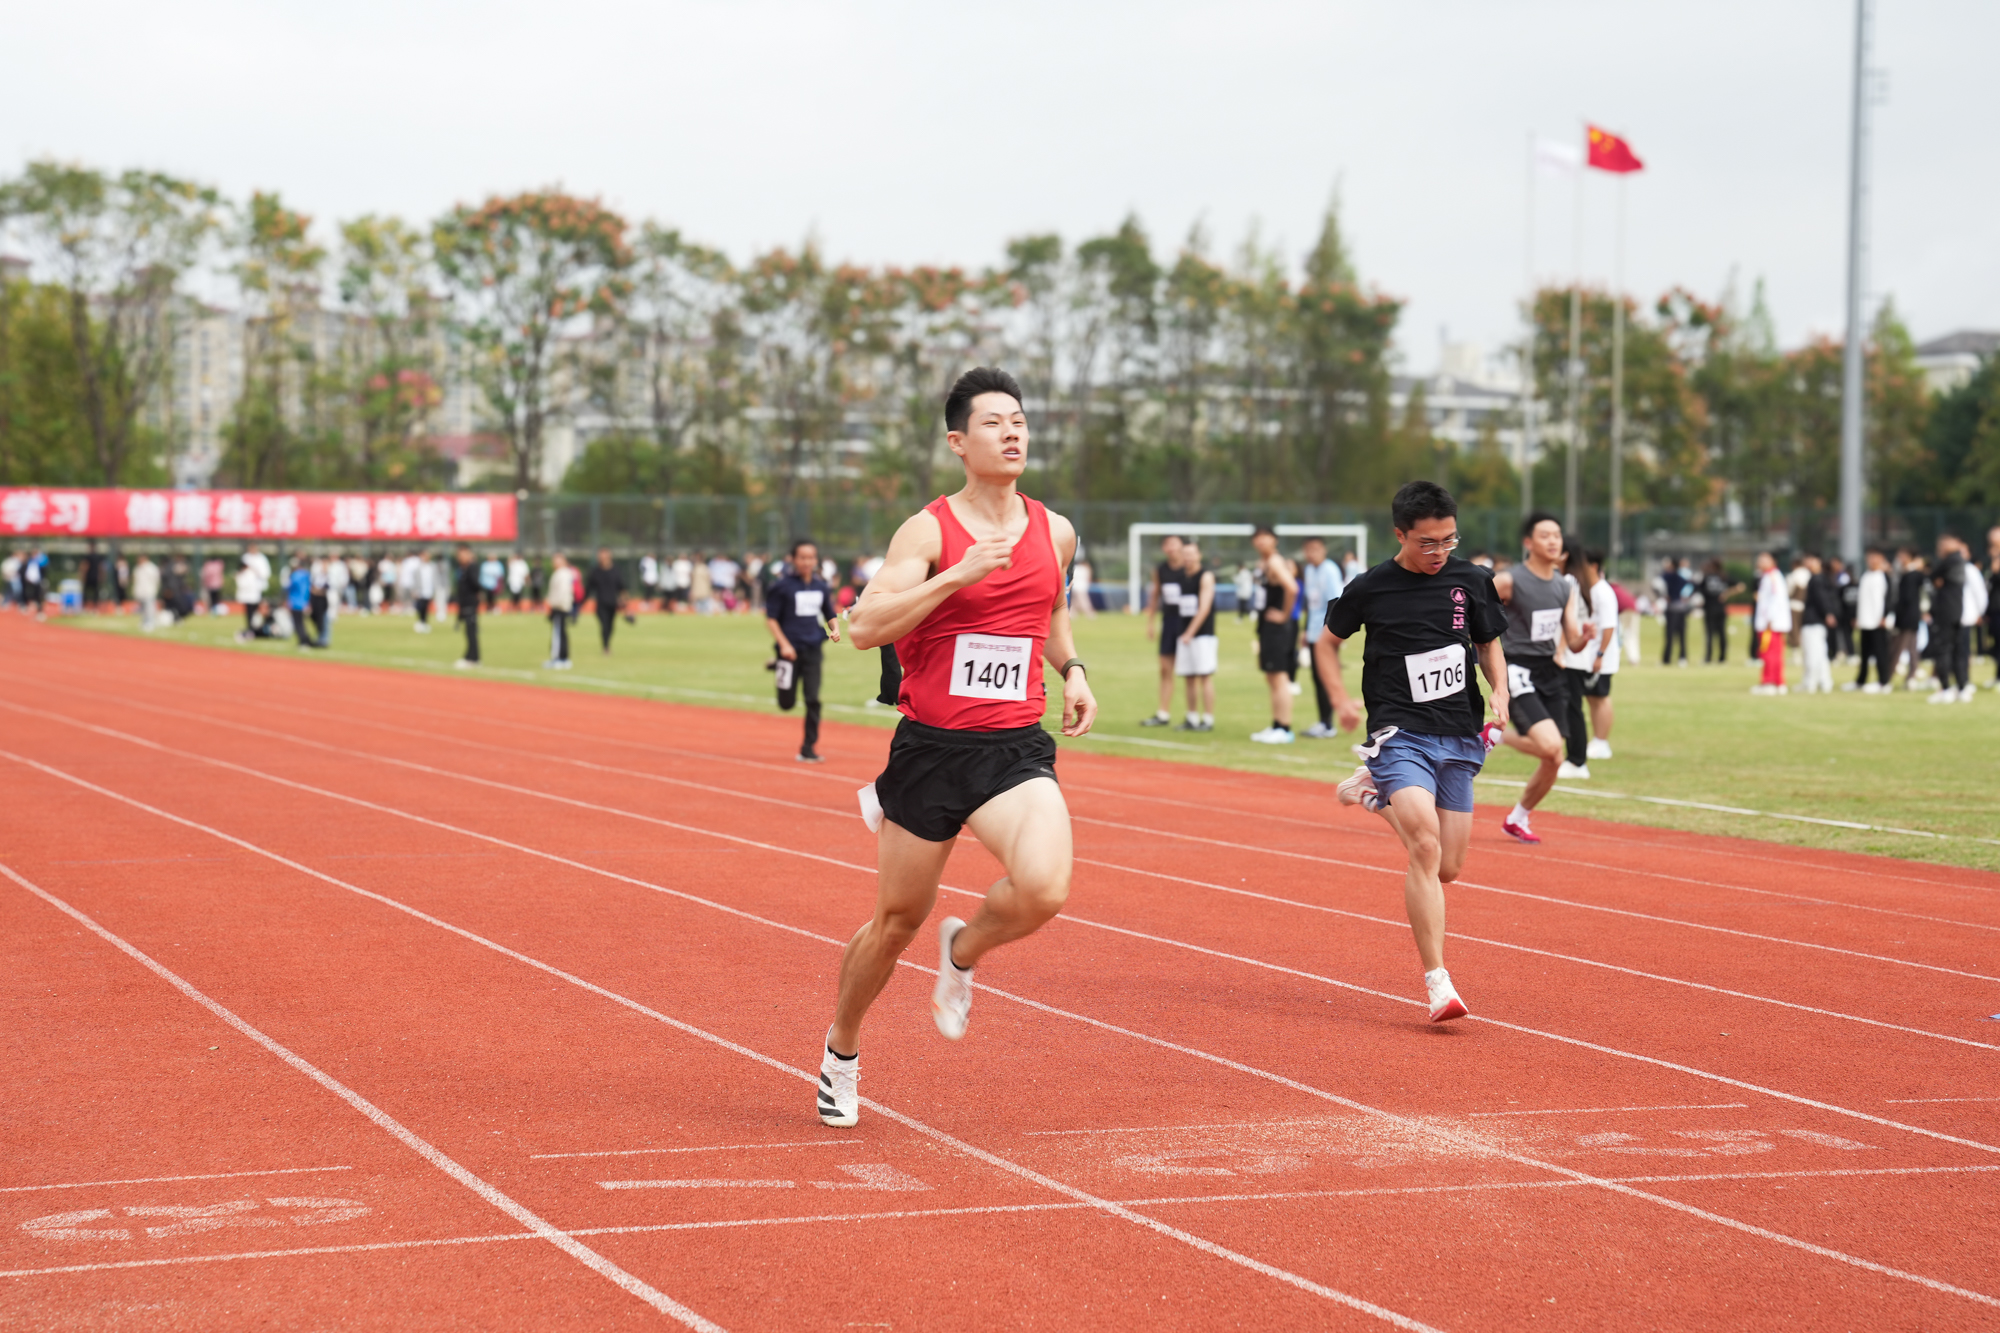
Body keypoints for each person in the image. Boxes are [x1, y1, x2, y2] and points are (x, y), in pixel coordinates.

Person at [818, 366, 1096, 1128]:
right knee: (895, 922)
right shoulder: (929, 531)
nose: (1012, 433)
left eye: (1020, 421)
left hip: (1014, 749)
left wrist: (1072, 669)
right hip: (932, 750)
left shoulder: (1055, 529)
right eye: (993, 423)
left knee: (1043, 888)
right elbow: (865, 627)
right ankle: (842, 1049)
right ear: (957, 442)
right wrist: (957, 575)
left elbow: (1048, 612)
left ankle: (964, 951)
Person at [1316, 480, 1508, 1023]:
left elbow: (1488, 643)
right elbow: (1326, 643)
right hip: (1399, 731)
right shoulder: (1370, 587)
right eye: (1427, 543)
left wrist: (1500, 689)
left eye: (1448, 540)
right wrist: (1339, 698)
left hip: (1459, 732)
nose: (1439, 551)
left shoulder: (1472, 580)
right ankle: (1437, 983)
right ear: (1400, 535)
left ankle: (1373, 796)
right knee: (1424, 845)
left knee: (1448, 867)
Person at [1492, 512, 1588, 844]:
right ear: (1528, 543)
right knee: (1550, 746)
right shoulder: (1508, 581)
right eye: (1545, 535)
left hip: (1550, 671)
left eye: (1557, 535)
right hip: (1519, 669)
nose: (1552, 541)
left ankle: (1517, 818)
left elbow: (1572, 641)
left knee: (1554, 758)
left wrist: (1585, 637)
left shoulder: (1564, 586)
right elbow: (1473, 614)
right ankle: (1495, 736)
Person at [765, 538, 843, 762]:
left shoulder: (821, 586)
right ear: (793, 559)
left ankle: (808, 748)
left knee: (813, 699)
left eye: (811, 558)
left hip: (813, 649)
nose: (807, 562)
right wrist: (784, 644)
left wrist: (835, 628)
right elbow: (771, 619)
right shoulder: (782, 586)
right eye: (802, 558)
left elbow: (829, 613)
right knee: (786, 703)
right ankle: (779, 665)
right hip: (789, 651)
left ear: (816, 560)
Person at [1559, 547, 1619, 774]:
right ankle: (1595, 742)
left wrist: (1600, 655)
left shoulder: (1602, 591)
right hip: (1586, 654)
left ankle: (1601, 742)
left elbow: (1609, 626)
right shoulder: (1587, 588)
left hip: (1597, 656)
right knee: (1591, 699)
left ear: (1593, 566)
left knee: (1599, 697)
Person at [1249, 524, 1300, 744]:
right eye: (1257, 537)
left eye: (1266, 537)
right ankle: (1276, 725)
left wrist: (1283, 615)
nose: (1261, 541)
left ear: (1274, 540)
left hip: (1277, 628)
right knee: (1271, 677)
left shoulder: (1275, 561)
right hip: (1266, 626)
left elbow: (1292, 588)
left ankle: (1284, 728)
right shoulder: (1263, 563)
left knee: (1279, 677)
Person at [1298, 536, 1346, 738]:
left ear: (1324, 550)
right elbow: (1311, 604)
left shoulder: (1330, 570)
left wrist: (1329, 633)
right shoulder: (1309, 570)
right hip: (1313, 632)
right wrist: (1305, 630)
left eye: (1315, 549)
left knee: (1325, 677)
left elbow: (1336, 602)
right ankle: (1323, 722)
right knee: (1317, 678)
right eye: (1308, 549)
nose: (1312, 554)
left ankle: (1328, 725)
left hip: (1324, 634)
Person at [1139, 534, 1185, 726]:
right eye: (1167, 544)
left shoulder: (1189, 568)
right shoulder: (1160, 570)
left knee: (1192, 672)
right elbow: (1155, 595)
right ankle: (1163, 713)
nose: (1171, 547)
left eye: (1174, 543)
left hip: (1188, 623)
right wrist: (1150, 623)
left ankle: (1194, 715)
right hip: (1169, 623)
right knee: (1165, 668)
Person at [1174, 539, 1219, 731]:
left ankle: (1207, 719)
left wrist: (1190, 633)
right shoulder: (1181, 576)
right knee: (1189, 676)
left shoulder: (1205, 576)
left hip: (1202, 635)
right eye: (1185, 554)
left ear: (1199, 555)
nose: (1188, 558)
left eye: (1191, 554)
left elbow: (1204, 608)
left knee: (1204, 676)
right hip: (1184, 634)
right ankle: (1191, 717)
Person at [1928, 533, 1973, 704]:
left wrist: (1938, 581)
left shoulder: (1950, 560)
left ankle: (1946, 688)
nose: (1940, 547)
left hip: (1946, 612)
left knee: (1944, 650)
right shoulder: (1959, 561)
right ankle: (1962, 687)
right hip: (1957, 611)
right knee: (1957, 651)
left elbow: (1932, 576)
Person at [1852, 548, 1894, 692]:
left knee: (1880, 653)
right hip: (1865, 620)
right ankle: (1861, 680)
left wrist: (1885, 616)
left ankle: (1884, 682)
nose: (1872, 560)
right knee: (1864, 654)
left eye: (1875, 557)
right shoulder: (1865, 576)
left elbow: (1889, 598)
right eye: (1869, 557)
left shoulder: (1883, 576)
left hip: (1878, 622)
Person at [1751, 551, 1792, 694]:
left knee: (1769, 654)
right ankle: (1778, 682)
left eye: (1764, 560)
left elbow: (1776, 599)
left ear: (1773, 561)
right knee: (1774, 653)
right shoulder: (1767, 576)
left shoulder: (1772, 577)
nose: (1760, 563)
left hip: (1770, 623)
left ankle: (1769, 682)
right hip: (1771, 622)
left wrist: (1770, 619)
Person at [1891, 549, 1927, 686]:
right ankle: (1911, 675)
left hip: (1907, 617)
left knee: (1898, 647)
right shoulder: (1904, 574)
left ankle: (1887, 677)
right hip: (1909, 616)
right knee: (1912, 647)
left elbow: (1908, 598)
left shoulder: (1913, 575)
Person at [586, 548, 626, 654]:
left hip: (613, 604)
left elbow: (621, 587)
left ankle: (607, 645)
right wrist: (580, 603)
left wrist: (624, 603)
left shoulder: (615, 570)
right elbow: (588, 588)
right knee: (604, 625)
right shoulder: (595, 571)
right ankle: (606, 647)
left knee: (610, 626)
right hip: (601, 604)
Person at [1699, 559, 1737, 663]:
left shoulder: (1707, 577)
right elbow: (1740, 586)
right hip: (1721, 609)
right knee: (1722, 634)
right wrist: (1727, 593)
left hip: (1710, 609)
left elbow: (1699, 590)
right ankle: (1722, 658)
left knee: (1710, 634)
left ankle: (1708, 657)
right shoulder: (1724, 576)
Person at [545, 551, 576, 669]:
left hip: (560, 607)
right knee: (561, 633)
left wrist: (553, 604)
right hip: (561, 606)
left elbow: (562, 593)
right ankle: (563, 658)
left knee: (558, 634)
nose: (553, 562)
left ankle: (559, 658)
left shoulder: (562, 573)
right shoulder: (564, 573)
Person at [1658, 557, 1691, 666]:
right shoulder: (1681, 578)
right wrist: (1686, 597)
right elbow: (1692, 585)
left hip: (1672, 608)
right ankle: (1682, 657)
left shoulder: (1667, 576)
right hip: (1682, 608)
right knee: (1682, 635)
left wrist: (1664, 596)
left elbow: (1657, 585)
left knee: (1669, 635)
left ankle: (1667, 659)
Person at [285, 555, 315, 649]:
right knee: (302, 623)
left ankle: (303, 641)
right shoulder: (307, 575)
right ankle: (306, 640)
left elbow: (288, 588)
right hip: (304, 602)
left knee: (298, 624)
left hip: (296, 602)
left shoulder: (295, 576)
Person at [131, 554, 160, 631]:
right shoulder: (137, 568)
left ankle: (150, 623)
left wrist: (154, 589)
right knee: (143, 609)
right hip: (141, 592)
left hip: (149, 591)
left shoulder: (151, 568)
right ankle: (144, 622)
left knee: (149, 608)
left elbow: (156, 580)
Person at [1068, 552, 1095, 618]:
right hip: (1078, 587)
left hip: (1079, 587)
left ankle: (1090, 614)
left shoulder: (1080, 568)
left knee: (1082, 601)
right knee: (1075, 601)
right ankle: (1073, 613)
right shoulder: (1083, 568)